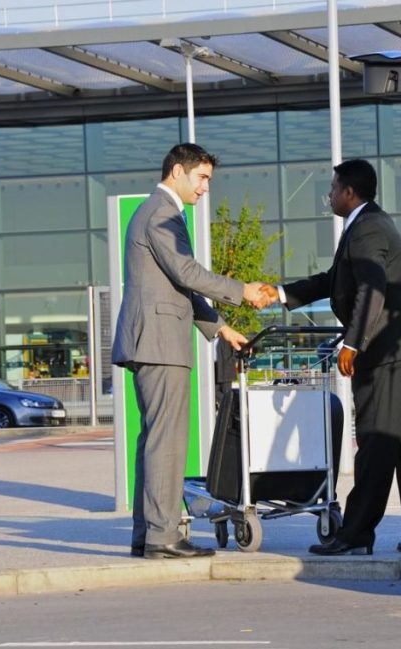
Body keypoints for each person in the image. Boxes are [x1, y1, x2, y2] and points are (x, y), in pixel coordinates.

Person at [260, 159, 401, 555]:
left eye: (333, 188)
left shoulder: (368, 227)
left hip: (387, 353)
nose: (329, 195)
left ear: (349, 192)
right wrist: (282, 293)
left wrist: (353, 343)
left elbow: (371, 289)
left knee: (376, 443)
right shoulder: (367, 224)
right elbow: (335, 281)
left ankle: (357, 534)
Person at [111, 142, 271, 560]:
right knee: (166, 442)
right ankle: (163, 537)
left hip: (154, 339)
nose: (204, 189)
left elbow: (176, 284)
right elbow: (187, 272)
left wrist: (220, 329)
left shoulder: (154, 212)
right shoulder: (161, 213)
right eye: (202, 178)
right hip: (160, 342)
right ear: (177, 171)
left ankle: (147, 534)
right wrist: (242, 291)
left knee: (154, 440)